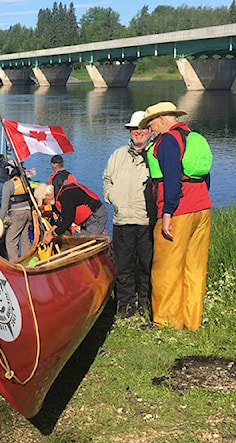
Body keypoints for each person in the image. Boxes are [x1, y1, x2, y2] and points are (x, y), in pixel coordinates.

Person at [138, 101, 212, 330]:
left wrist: (168, 212)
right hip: (202, 207)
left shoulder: (168, 140)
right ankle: (191, 320)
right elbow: (206, 176)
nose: (150, 129)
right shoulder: (193, 137)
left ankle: (165, 321)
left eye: (151, 124)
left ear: (162, 119)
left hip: (178, 210)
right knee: (195, 266)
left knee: (166, 266)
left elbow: (172, 178)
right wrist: (200, 202)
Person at [103, 111, 155, 319]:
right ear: (130, 131)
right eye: (135, 128)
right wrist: (111, 197)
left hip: (146, 220)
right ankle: (125, 306)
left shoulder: (155, 154)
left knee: (147, 265)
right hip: (122, 220)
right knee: (123, 267)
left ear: (150, 130)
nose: (139, 132)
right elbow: (106, 178)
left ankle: (146, 302)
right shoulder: (118, 154)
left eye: (142, 128)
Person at [41, 156, 108, 244]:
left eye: (46, 200)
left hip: (96, 215)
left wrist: (52, 235)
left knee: (85, 243)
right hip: (85, 219)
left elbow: (68, 219)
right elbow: (64, 217)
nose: (47, 203)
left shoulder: (65, 195)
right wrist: (51, 230)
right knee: (81, 241)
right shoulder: (66, 182)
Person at [0, 165, 34, 259]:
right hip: (28, 211)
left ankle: (14, 262)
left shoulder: (8, 184)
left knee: (11, 239)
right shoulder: (26, 181)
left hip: (18, 213)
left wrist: (0, 220)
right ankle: (26, 259)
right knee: (25, 237)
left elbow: (5, 205)